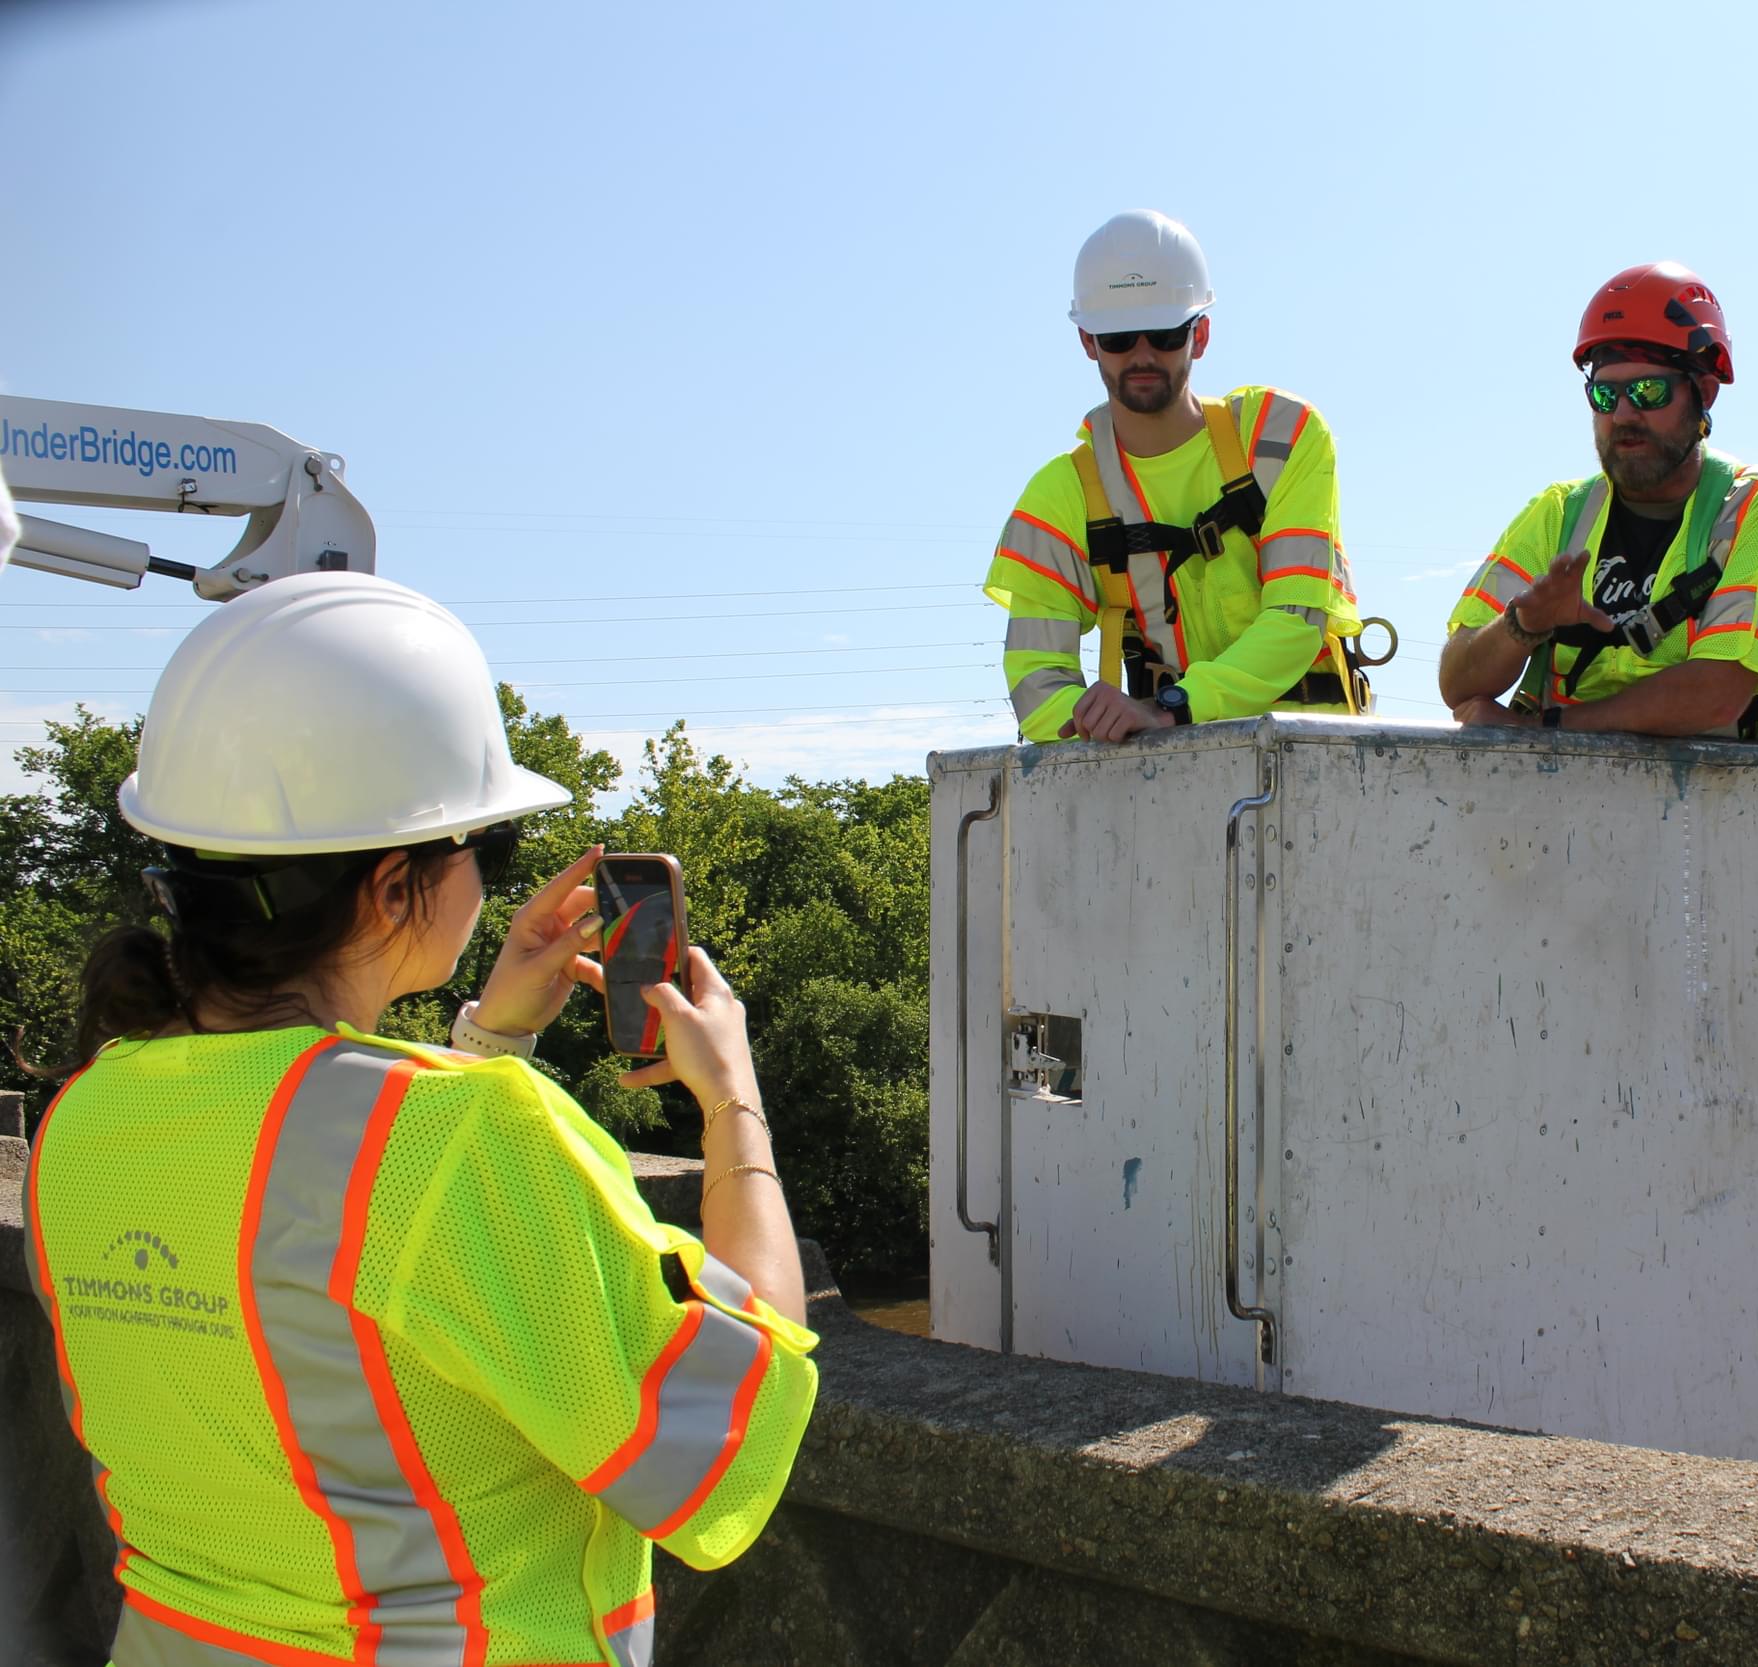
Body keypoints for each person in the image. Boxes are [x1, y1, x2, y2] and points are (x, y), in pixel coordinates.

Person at [21, 573, 814, 1667]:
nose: (491, 880)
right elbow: (722, 1435)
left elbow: (340, 1296)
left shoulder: (85, 1115)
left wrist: (489, 1035)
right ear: (395, 886)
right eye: (479, 847)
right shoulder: (463, 1135)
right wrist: (733, 1099)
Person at [985, 209, 1366, 742]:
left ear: (1200, 335)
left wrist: (1174, 708)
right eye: (1118, 338)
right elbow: (1037, 680)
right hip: (1161, 775)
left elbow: (1295, 621)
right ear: (1088, 343)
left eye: (1164, 333)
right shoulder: (1058, 497)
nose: (1142, 355)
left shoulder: (1281, 436)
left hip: (1315, 759)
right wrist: (1098, 722)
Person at [1439, 262, 1758, 740]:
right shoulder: (1558, 513)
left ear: (1703, 393)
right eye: (1604, 395)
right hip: (1567, 800)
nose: (1623, 414)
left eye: (1648, 391)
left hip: (1731, 802)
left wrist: (1542, 726)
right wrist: (1523, 623)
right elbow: (1458, 682)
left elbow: (1715, 694)